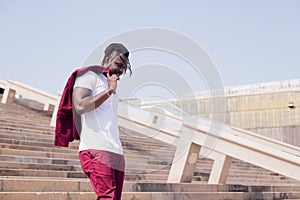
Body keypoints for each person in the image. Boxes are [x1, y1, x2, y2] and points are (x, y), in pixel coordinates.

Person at [72, 43, 132, 200]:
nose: (120, 70)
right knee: (107, 198)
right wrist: (109, 91)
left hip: (116, 150)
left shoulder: (111, 85)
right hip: (96, 148)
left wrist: (111, 89)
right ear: (107, 58)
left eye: (123, 68)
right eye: (118, 64)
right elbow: (80, 105)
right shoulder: (89, 76)